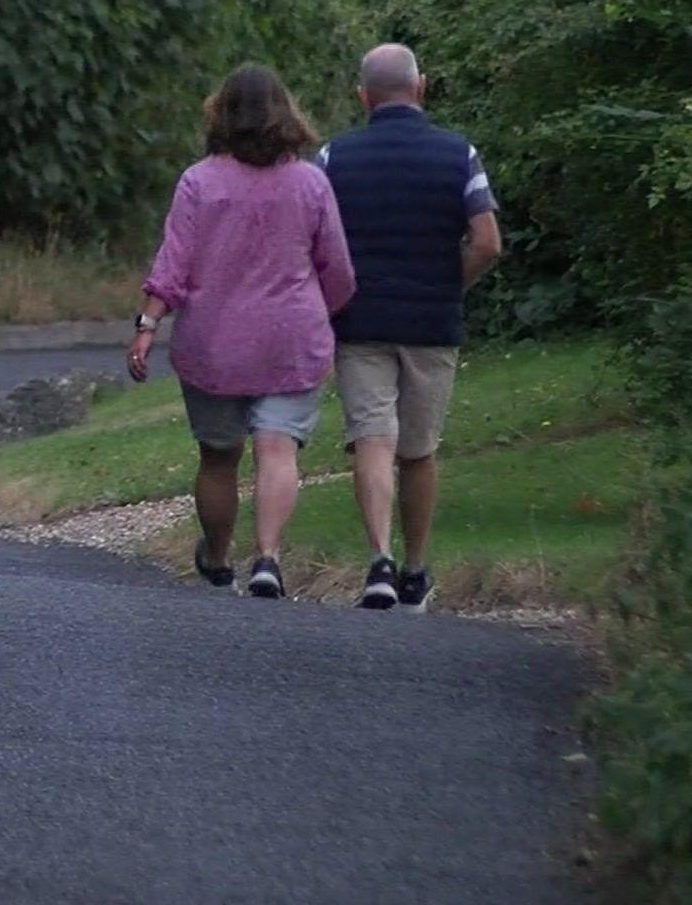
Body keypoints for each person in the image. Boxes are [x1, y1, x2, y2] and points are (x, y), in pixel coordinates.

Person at [128, 65, 355, 599]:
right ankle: (269, 558)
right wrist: (325, 311)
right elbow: (337, 269)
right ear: (286, 113)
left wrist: (146, 326)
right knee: (278, 448)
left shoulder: (199, 182)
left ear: (220, 113)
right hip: (289, 339)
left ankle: (219, 559)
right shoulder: (310, 182)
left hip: (214, 343)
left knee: (218, 455)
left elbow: (173, 264)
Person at [316, 44, 503, 613]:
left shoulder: (333, 158)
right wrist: (452, 283)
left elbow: (315, 241)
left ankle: (379, 560)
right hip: (431, 320)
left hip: (360, 319)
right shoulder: (457, 155)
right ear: (420, 88)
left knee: (372, 439)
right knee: (418, 451)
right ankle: (416, 569)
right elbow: (489, 242)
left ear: (362, 96)